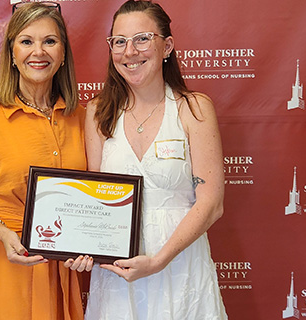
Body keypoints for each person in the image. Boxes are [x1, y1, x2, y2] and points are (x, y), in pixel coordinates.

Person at [0, 2, 90, 319]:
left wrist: (90, 243)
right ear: (12, 53)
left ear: (63, 53)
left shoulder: (82, 118)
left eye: (50, 41)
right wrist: (4, 233)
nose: (38, 51)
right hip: (7, 261)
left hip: (63, 267)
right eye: (26, 41)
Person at [83, 1, 228, 319]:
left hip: (180, 268)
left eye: (142, 38)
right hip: (119, 275)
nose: (130, 52)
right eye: (119, 41)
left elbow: (212, 203)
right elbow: (97, 205)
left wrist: (159, 259)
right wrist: (81, 247)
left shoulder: (194, 109)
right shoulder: (97, 112)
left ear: (167, 46)